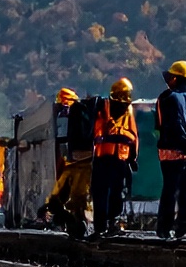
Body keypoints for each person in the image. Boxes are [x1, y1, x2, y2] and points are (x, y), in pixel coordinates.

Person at [154, 61, 186, 239]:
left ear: (175, 79)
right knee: (184, 190)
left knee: (173, 190)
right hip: (182, 151)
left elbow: (175, 126)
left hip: (173, 151)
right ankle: (185, 226)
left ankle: (166, 228)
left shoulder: (168, 98)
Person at [92, 79, 139, 236]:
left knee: (114, 193)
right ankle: (102, 226)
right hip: (105, 157)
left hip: (117, 157)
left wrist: (132, 158)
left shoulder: (126, 110)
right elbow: (133, 136)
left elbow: (133, 136)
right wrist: (132, 157)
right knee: (104, 192)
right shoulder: (102, 107)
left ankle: (109, 224)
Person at [45, 87, 91, 238]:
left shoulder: (65, 115)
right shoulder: (80, 114)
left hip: (68, 162)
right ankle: (75, 222)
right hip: (77, 161)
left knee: (62, 198)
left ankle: (71, 222)